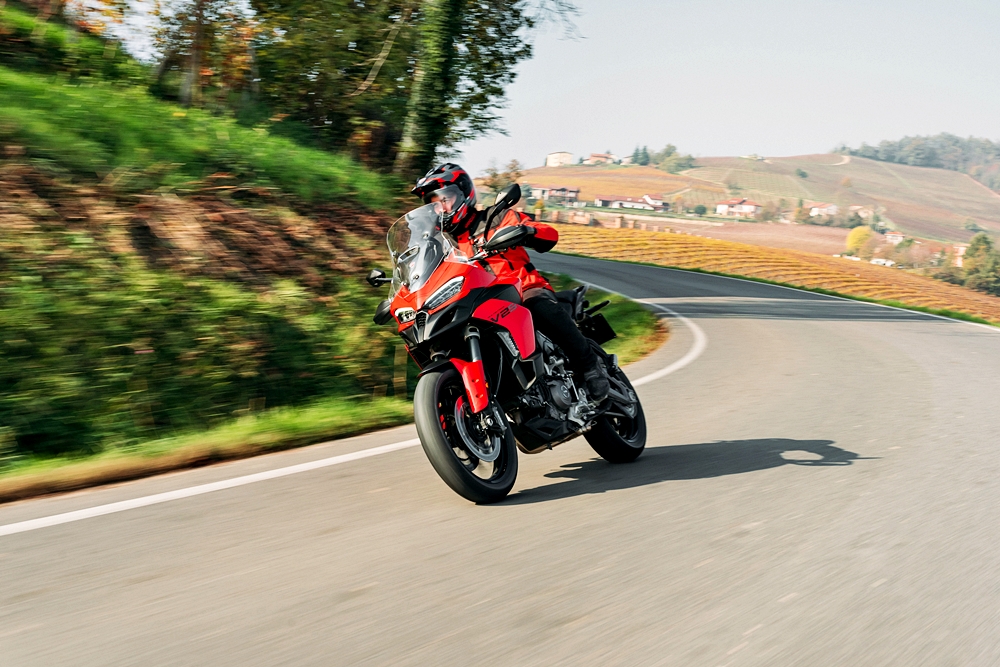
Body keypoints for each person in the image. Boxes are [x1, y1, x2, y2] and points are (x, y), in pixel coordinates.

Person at [411, 163, 610, 401]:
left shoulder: (497, 218)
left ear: (464, 193)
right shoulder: (441, 245)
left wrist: (527, 231)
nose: (440, 207)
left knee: (538, 306)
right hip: (477, 303)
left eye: (445, 199)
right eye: (433, 203)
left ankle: (590, 366)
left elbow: (548, 232)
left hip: (523, 289)